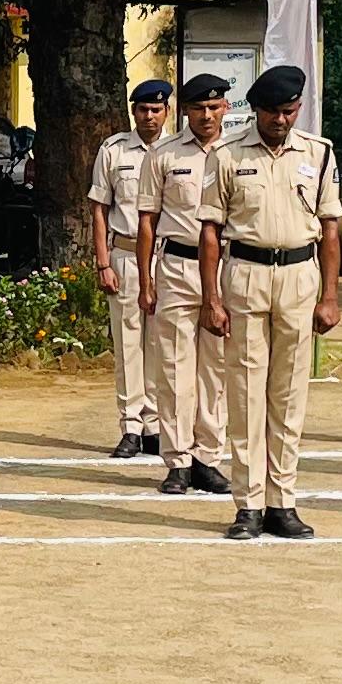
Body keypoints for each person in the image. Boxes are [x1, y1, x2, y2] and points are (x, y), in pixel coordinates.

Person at [200, 64, 342, 538]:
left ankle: (283, 500)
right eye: (272, 112)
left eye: (288, 111)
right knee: (243, 393)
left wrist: (331, 294)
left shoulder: (319, 154)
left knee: (289, 394)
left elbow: (329, 228)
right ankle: (249, 504)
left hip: (300, 276)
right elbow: (210, 232)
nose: (280, 120)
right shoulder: (227, 154)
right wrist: (211, 299)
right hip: (246, 274)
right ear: (256, 111)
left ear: (298, 109)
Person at [143, 74, 234, 497]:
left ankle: (208, 458)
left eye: (214, 107)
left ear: (226, 109)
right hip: (178, 264)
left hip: (227, 268)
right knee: (175, 368)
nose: (207, 114)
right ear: (185, 111)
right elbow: (147, 219)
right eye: (199, 107)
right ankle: (177, 460)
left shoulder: (237, 154)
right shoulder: (163, 154)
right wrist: (145, 279)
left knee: (216, 369)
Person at [89, 79, 171, 456]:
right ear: (133, 111)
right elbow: (99, 209)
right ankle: (131, 425)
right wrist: (103, 262)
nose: (149, 116)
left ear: (167, 112)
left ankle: (155, 424)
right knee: (128, 343)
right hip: (123, 255)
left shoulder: (180, 152)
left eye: (156, 110)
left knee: (161, 343)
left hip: (167, 258)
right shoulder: (114, 150)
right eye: (142, 110)